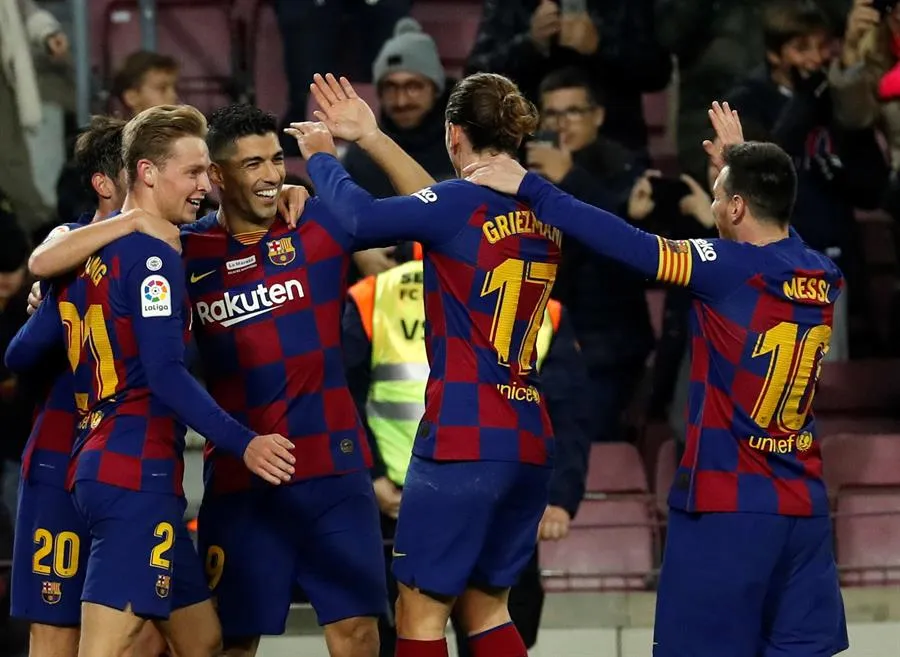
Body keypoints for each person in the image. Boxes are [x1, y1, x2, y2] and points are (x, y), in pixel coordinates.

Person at [464, 102, 848, 657]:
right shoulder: (823, 273)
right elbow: (779, 227)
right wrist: (740, 164)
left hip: (727, 508)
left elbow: (625, 242)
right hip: (803, 510)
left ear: (737, 206)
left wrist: (532, 186)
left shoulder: (721, 266)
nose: (711, 204)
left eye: (719, 196)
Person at [24, 103, 388, 657]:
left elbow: (22, 345)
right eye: (247, 166)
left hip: (307, 470)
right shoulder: (171, 252)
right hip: (180, 472)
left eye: (276, 161)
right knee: (161, 643)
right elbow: (164, 372)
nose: (270, 176)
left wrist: (319, 178)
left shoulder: (307, 222)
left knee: (210, 641)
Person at [288, 71, 558, 657]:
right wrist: (374, 137)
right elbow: (437, 204)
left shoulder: (458, 205)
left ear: (452, 134)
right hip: (527, 435)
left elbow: (361, 220)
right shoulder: (538, 209)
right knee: (487, 606)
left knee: (420, 610)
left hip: (464, 435)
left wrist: (323, 160)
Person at [343, 253, 590, 657]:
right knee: (491, 614)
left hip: (429, 487)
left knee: (420, 619)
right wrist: (369, 475)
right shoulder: (534, 293)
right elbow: (568, 411)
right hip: (493, 480)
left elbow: (568, 411)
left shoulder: (378, 292)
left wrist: (561, 497)